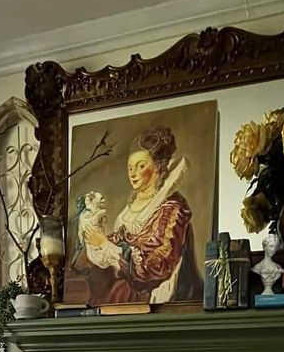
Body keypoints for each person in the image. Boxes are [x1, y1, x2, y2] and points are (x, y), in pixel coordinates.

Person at [77, 127, 203, 306]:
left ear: (158, 166)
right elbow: (119, 243)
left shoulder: (172, 208)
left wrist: (107, 246)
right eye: (130, 167)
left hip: (156, 292)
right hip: (126, 283)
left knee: (118, 293)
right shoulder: (129, 208)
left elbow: (160, 265)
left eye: (141, 166)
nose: (132, 173)